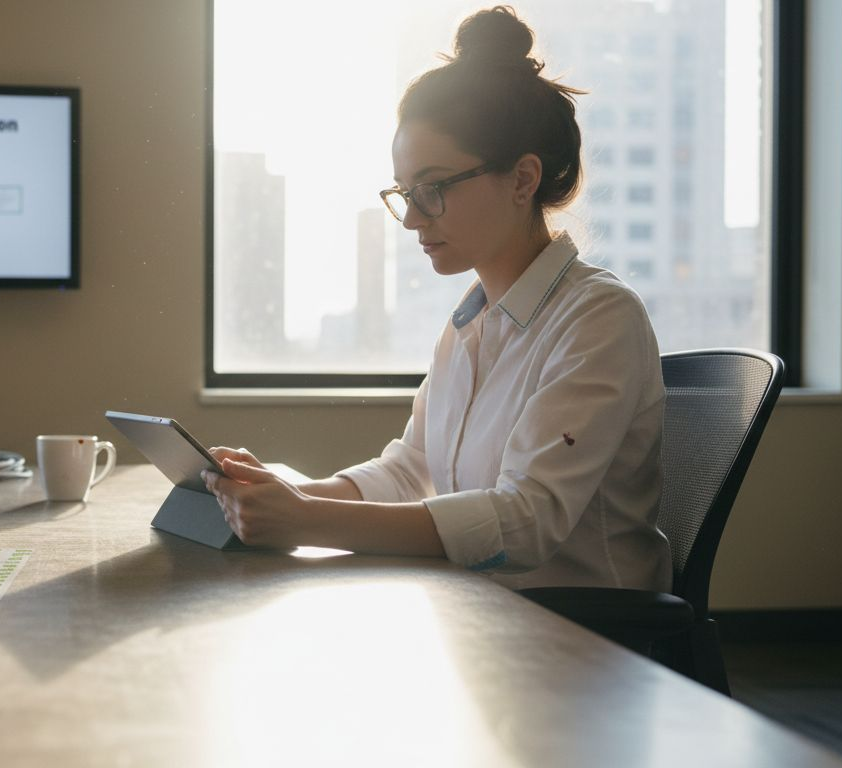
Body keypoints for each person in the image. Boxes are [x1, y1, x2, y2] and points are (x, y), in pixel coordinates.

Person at [202, 5, 671, 591]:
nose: (412, 219)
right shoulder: (470, 323)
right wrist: (289, 493)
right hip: (479, 619)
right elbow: (412, 470)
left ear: (523, 180)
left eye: (433, 189)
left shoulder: (600, 318)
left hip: (583, 644)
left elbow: (525, 522)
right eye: (405, 193)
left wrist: (308, 519)